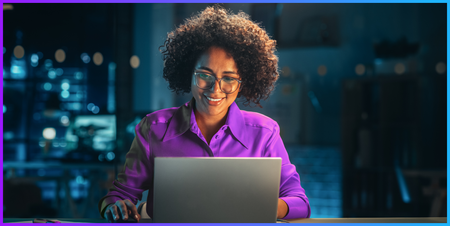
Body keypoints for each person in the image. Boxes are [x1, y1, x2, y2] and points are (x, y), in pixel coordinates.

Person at [98, 6, 310, 223]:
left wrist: (265, 205)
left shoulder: (265, 133)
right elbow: (118, 196)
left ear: (242, 83)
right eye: (204, 75)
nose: (215, 89)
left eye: (228, 78)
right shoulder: (153, 129)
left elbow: (300, 202)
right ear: (189, 74)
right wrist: (116, 207)